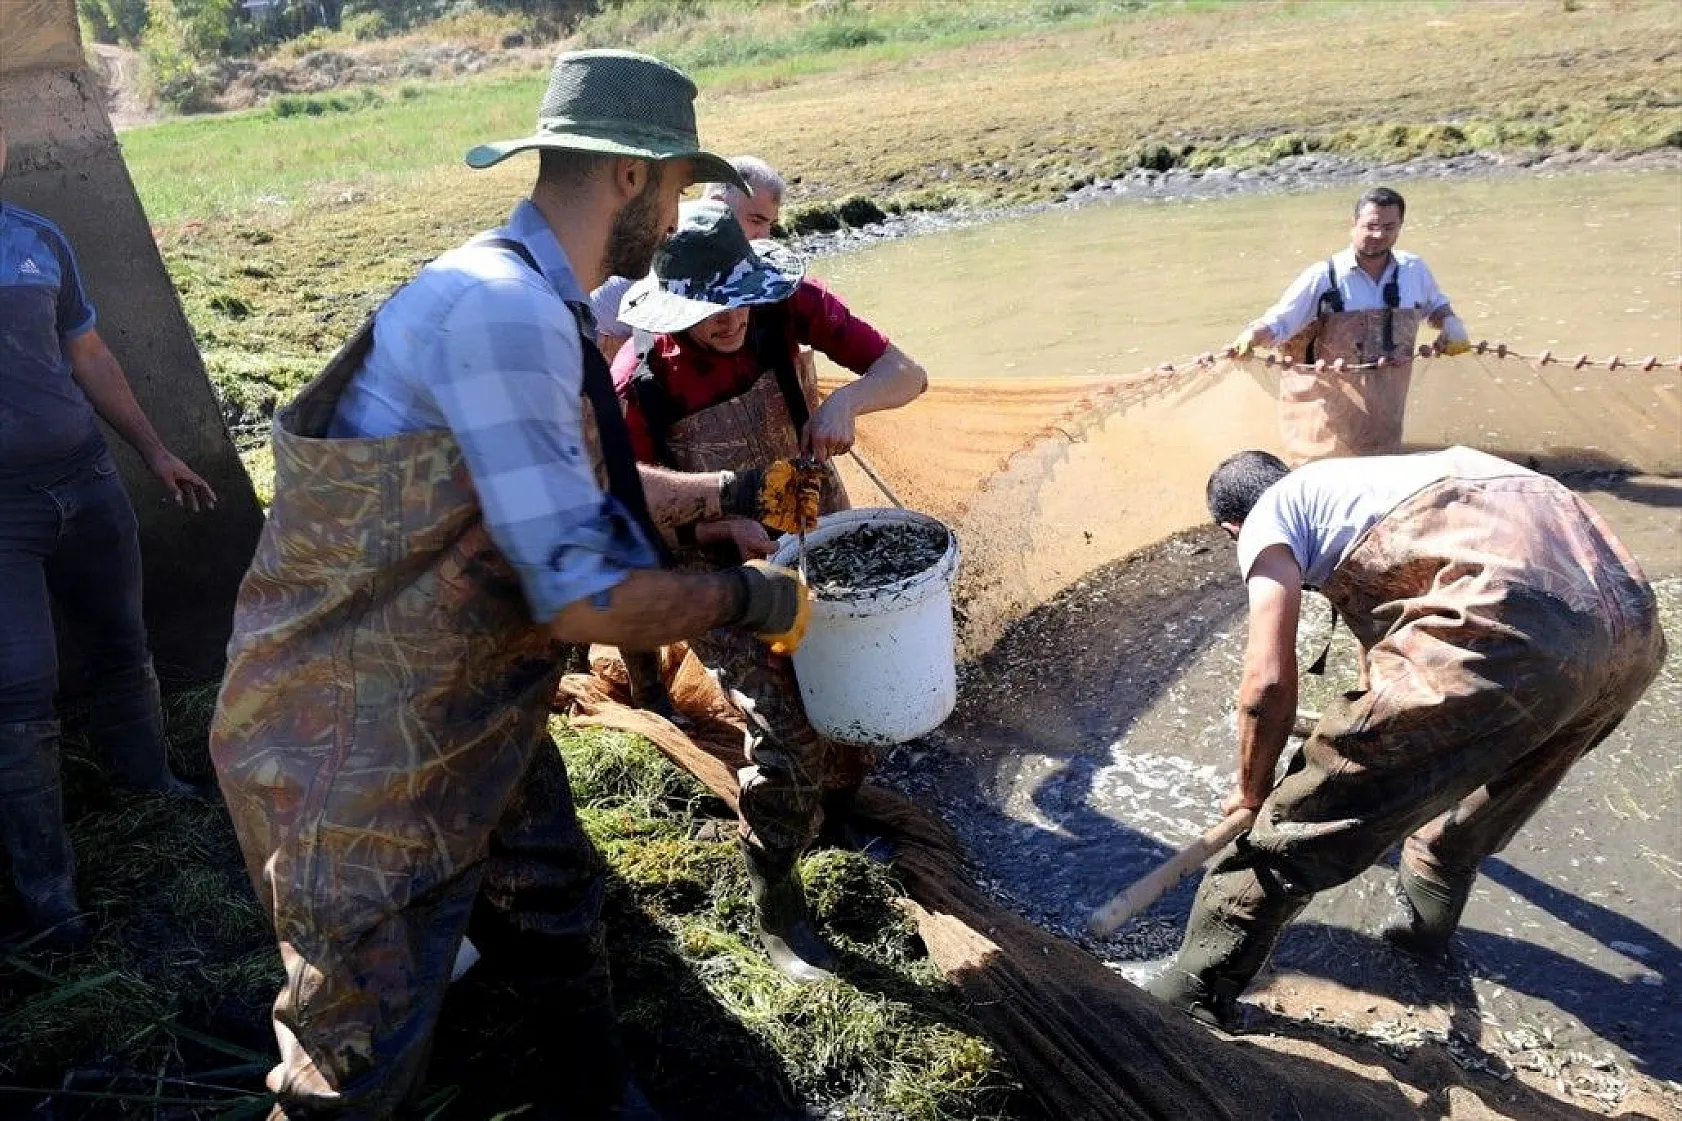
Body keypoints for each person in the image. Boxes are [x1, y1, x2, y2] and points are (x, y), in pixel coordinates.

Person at [208, 51, 819, 1119]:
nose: (679, 216)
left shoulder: (534, 296)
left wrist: (717, 484)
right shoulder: (502, 311)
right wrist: (753, 599)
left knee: (552, 894)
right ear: (632, 177)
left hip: (468, 691)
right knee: (355, 1056)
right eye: (678, 188)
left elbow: (557, 488)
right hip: (357, 738)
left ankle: (600, 1098)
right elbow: (582, 595)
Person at [1128, 447, 1665, 1028]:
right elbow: (1396, 631)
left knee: (1294, 828)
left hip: (1503, 628)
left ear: (1231, 527)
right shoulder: (1358, 485)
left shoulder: (1267, 520)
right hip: (1629, 634)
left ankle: (1191, 992)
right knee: (1468, 819)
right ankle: (1420, 950)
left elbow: (1266, 686)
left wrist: (1253, 794)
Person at [609, 199, 926, 982]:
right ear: (674, 307)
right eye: (709, 309)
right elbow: (620, 507)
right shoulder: (637, 382)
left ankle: (836, 817)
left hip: (812, 520)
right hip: (708, 563)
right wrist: (720, 529)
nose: (729, 321)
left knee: (851, 693)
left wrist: (846, 400)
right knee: (784, 733)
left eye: (739, 300)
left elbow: (906, 372)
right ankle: (778, 902)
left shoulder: (787, 303)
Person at [0, 120, 217, 953]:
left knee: (123, 642)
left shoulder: (36, 240)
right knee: (19, 688)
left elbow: (86, 353)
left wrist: (155, 449)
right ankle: (49, 890)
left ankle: (153, 787)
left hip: (87, 482)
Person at [1227, 187, 1472, 465]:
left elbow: (1436, 307)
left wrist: (1451, 324)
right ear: (1352, 224)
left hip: (1386, 412)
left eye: (1389, 227)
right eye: (1371, 226)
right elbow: (1279, 322)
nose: (1379, 235)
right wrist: (1251, 336)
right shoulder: (1324, 277)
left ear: (1401, 227)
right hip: (1328, 416)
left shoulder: (1414, 270)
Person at [591, 155, 785, 362]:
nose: (764, 237)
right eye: (756, 221)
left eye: (770, 225)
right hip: (605, 339)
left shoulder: (714, 247)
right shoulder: (681, 244)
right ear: (718, 204)